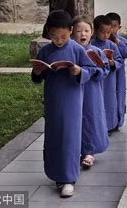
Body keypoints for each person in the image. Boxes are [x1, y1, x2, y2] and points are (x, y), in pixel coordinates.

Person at [31, 10, 95, 198]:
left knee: (69, 138)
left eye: (63, 36)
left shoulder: (76, 49)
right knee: (54, 137)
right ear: (48, 33)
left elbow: (90, 69)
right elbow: (37, 78)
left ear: (70, 30)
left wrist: (78, 71)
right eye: (54, 37)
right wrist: (37, 71)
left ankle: (68, 179)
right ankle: (56, 175)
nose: (59, 41)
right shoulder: (45, 50)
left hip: (72, 102)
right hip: (52, 101)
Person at [71, 16, 109, 169]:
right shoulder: (70, 50)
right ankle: (74, 150)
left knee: (91, 118)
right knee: (75, 119)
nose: (83, 34)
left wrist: (91, 72)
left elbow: (104, 70)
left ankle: (89, 152)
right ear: (72, 32)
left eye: (86, 31)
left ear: (92, 32)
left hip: (91, 91)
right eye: (79, 31)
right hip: (73, 91)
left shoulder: (96, 51)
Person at [91, 15, 124, 133]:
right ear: (95, 31)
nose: (105, 35)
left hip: (109, 80)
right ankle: (98, 127)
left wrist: (112, 62)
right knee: (96, 102)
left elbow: (120, 60)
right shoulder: (91, 45)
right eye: (102, 32)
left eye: (108, 33)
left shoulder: (112, 45)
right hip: (96, 79)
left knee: (109, 102)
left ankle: (110, 125)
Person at [107, 12, 127, 129]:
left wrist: (117, 42)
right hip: (106, 76)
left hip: (119, 74)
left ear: (119, 27)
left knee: (119, 95)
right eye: (109, 26)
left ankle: (118, 120)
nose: (112, 29)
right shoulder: (101, 41)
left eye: (114, 26)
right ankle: (108, 122)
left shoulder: (121, 40)